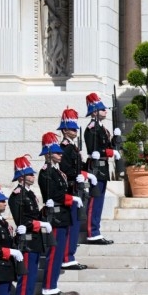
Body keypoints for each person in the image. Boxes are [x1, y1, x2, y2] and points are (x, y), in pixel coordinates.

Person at [9, 154, 53, 295]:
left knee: (31, 280)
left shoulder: (29, 193)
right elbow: (23, 221)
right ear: (21, 176)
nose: (33, 176)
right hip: (26, 242)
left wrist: (44, 211)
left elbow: (32, 215)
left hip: (34, 242)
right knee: (26, 281)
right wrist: (40, 223)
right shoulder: (17, 195)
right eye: (29, 174)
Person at [39, 132, 82, 295]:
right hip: (55, 217)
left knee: (58, 254)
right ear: (49, 154)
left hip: (62, 216)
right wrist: (72, 199)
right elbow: (55, 195)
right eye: (57, 152)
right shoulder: (46, 172)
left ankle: (52, 284)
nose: (60, 154)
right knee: (54, 253)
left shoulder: (56, 171)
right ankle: (48, 286)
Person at [58, 107, 94, 270]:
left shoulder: (73, 147)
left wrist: (85, 173)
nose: (75, 131)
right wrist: (76, 175)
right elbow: (65, 169)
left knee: (76, 222)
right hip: (70, 190)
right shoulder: (65, 148)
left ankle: (70, 255)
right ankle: (67, 256)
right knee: (72, 224)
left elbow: (78, 166)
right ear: (65, 130)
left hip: (77, 188)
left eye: (75, 128)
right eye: (72, 129)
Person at [84, 92, 118, 245]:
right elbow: (94, 151)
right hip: (96, 168)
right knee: (94, 201)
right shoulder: (91, 129)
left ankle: (96, 230)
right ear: (95, 111)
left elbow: (107, 146)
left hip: (103, 168)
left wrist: (115, 140)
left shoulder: (102, 128)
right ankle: (92, 232)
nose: (106, 111)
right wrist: (111, 152)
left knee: (100, 201)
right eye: (102, 109)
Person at [40, 0, 69, 76]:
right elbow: (44, 4)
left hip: (63, 14)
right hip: (51, 16)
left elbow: (65, 3)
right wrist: (52, 16)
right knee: (52, 40)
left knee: (63, 40)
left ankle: (62, 67)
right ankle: (52, 67)